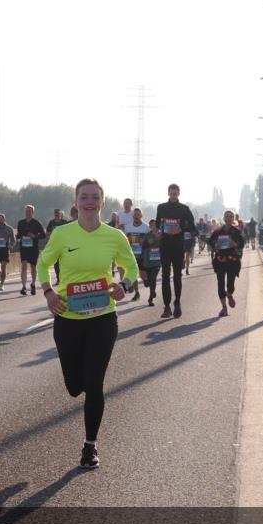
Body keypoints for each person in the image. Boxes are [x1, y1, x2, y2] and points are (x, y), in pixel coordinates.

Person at [37, 178, 137, 470]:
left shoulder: (114, 236)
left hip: (103, 318)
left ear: (103, 202)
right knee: (74, 386)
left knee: (94, 384)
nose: (90, 202)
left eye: (95, 197)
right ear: (76, 202)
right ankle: (80, 383)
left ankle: (90, 445)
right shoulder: (62, 234)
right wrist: (48, 292)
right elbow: (43, 264)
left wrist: (124, 285)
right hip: (68, 319)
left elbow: (131, 266)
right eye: (84, 197)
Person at [155, 183, 196, 319]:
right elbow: (157, 224)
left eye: (175, 193)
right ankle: (166, 306)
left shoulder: (184, 209)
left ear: (178, 193)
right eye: (171, 193)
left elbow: (193, 227)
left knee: (177, 276)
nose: (173, 195)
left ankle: (177, 302)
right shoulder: (161, 207)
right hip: (165, 245)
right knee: (165, 276)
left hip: (178, 246)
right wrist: (158, 232)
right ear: (168, 193)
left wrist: (180, 230)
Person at [209, 211, 245, 317]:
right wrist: (215, 245)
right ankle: (224, 307)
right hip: (220, 260)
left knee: (231, 284)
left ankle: (229, 294)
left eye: (230, 217)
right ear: (224, 218)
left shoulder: (236, 232)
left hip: (232, 261)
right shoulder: (218, 231)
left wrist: (235, 244)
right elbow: (210, 241)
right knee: (220, 284)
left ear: (233, 218)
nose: (228, 218)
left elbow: (242, 244)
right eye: (227, 216)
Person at [16, 204, 46, 295]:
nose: (28, 213)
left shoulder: (36, 223)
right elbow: (19, 234)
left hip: (33, 248)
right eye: (26, 211)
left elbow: (43, 235)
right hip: (24, 248)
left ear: (33, 212)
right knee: (24, 266)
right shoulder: (20, 223)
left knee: (33, 267)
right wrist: (18, 238)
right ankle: (24, 287)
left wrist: (35, 236)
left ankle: (33, 284)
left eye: (29, 211)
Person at [122, 208, 150, 302]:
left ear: (141, 216)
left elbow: (150, 240)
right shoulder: (128, 227)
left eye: (138, 215)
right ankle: (137, 293)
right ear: (132, 216)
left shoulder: (146, 227)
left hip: (142, 254)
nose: (136, 216)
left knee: (142, 274)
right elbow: (124, 240)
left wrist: (144, 242)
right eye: (135, 215)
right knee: (133, 273)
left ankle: (145, 279)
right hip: (131, 254)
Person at [141, 219, 162, 305]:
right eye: (152, 225)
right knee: (150, 280)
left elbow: (166, 245)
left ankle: (150, 298)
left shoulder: (161, 234)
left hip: (157, 261)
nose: (154, 226)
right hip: (148, 261)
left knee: (153, 278)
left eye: (155, 225)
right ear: (150, 226)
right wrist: (147, 244)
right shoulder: (147, 235)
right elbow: (143, 247)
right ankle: (152, 291)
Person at [45, 209, 67, 285]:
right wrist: (53, 233)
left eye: (58, 214)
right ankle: (58, 279)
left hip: (64, 245)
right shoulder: (51, 222)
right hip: (55, 245)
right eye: (55, 214)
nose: (57, 215)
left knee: (64, 262)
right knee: (56, 263)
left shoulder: (64, 222)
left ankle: (64, 278)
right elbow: (47, 233)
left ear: (61, 215)